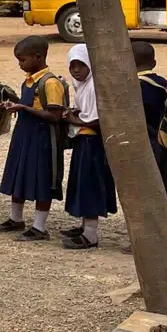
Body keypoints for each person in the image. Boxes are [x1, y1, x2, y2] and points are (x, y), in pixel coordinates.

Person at [62, 44, 115, 249]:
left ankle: (91, 236)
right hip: (84, 141)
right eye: (72, 65)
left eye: (81, 65)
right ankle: (85, 226)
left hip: (91, 143)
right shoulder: (82, 85)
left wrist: (73, 120)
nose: (76, 70)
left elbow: (95, 119)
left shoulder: (93, 87)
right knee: (82, 184)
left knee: (90, 185)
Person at [136, 41, 167, 197]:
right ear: (153, 63)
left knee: (144, 189)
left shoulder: (135, 86)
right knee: (162, 187)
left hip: (145, 142)